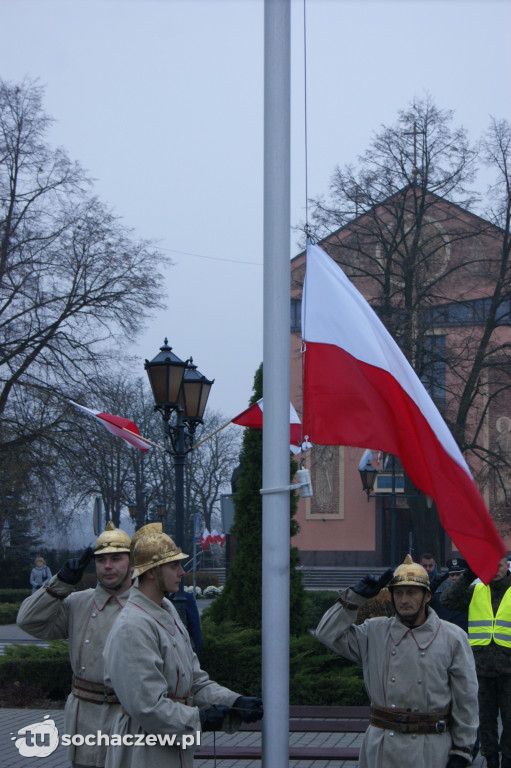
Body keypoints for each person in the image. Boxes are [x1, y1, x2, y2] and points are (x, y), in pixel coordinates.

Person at [103, 524, 263, 768]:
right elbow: (147, 707)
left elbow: (195, 682)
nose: (182, 572)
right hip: (143, 750)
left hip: (174, 745)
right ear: (151, 572)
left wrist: (234, 702)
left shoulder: (167, 611)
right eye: (173, 565)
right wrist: (200, 718)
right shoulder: (132, 626)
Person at [316, 554, 478, 768]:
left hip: (431, 750)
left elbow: (465, 697)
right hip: (382, 749)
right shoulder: (374, 632)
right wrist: (352, 599)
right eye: (399, 593)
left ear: (427, 596)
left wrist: (462, 750)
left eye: (411, 592)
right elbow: (326, 634)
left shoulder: (452, 637)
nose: (404, 600)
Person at [17, 522, 132, 768]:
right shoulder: (77, 602)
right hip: (85, 720)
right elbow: (27, 621)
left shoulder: (145, 605)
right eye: (101, 560)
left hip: (131, 718)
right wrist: (60, 583)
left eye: (116, 558)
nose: (108, 566)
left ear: (132, 563)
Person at [441, 555, 511, 768]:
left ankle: (507, 759)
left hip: (509, 670)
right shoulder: (477, 590)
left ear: (507, 566)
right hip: (480, 669)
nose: (496, 570)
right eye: (491, 565)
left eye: (499, 565)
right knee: (485, 721)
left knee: (510, 722)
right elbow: (447, 600)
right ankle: (490, 759)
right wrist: (469, 574)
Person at [432, 557, 469, 633]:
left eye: (458, 575)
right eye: (452, 575)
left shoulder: (471, 596)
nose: (454, 578)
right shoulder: (439, 598)